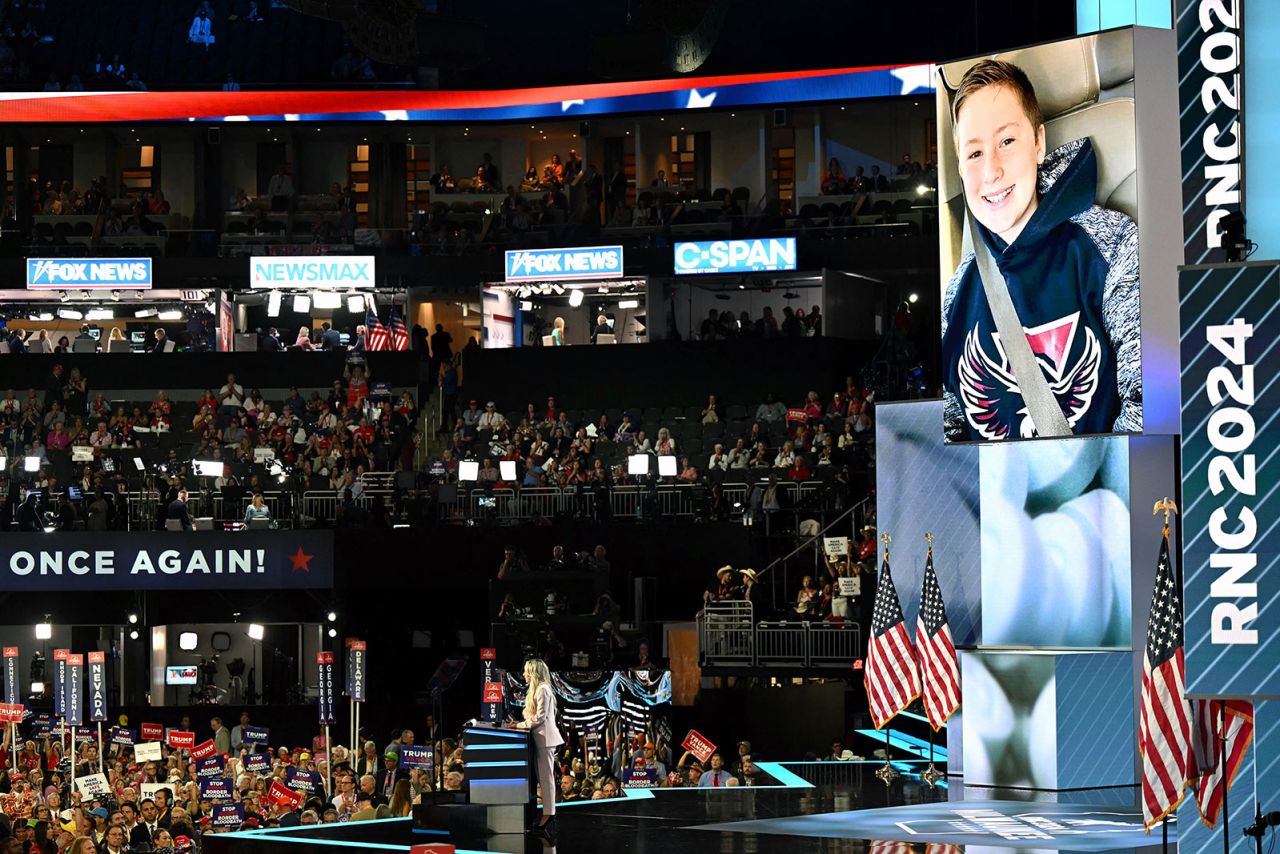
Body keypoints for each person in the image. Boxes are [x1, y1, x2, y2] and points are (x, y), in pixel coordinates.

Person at [940, 59, 1139, 442]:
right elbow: (953, 427)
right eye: (974, 153)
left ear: (1038, 143)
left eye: (1007, 142)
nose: (991, 171)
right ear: (961, 168)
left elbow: (1147, 402)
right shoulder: (958, 290)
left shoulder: (1110, 248)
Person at [511, 658, 562, 836]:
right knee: (543, 779)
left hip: (545, 740)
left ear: (533, 672)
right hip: (540, 739)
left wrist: (518, 725)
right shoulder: (539, 689)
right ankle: (548, 813)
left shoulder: (542, 690)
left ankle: (549, 814)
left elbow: (539, 718)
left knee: (546, 779)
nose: (524, 674)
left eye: (526, 671)